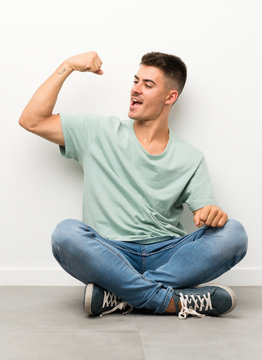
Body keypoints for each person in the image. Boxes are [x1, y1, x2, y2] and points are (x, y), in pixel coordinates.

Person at [19, 51, 248, 319]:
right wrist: (67, 66)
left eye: (148, 85)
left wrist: (212, 212)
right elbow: (31, 120)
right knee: (65, 234)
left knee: (234, 234)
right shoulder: (97, 132)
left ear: (170, 97)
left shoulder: (190, 157)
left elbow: (206, 210)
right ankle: (168, 300)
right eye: (135, 81)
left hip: (168, 253)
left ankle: (122, 294)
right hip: (111, 253)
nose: (135, 90)